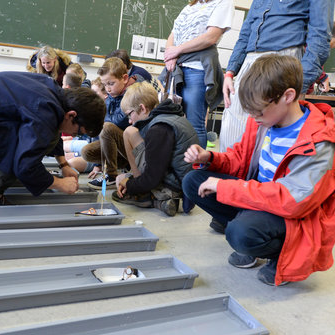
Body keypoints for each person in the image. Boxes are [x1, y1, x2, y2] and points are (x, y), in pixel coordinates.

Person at [182, 55, 335, 286]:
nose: (254, 118)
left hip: (293, 215)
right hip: (261, 199)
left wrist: (225, 187)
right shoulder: (264, 120)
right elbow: (240, 158)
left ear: (288, 96)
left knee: (240, 232)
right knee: (194, 180)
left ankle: (281, 255)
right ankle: (251, 228)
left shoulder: (319, 142)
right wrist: (210, 158)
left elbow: (292, 202)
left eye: (259, 112)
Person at [0, 71, 105, 206]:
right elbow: (25, 165)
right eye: (76, 132)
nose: (73, 136)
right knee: (25, 151)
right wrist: (59, 184)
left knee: (43, 136)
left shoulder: (52, 91)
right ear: (71, 114)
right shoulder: (44, 112)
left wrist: (64, 164)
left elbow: (50, 129)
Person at [219, 0, 333, 152]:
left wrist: (300, 82)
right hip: (249, 61)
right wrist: (230, 72)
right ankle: (228, 175)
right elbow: (246, 32)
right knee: (232, 134)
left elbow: (319, 36)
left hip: (284, 60)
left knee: (273, 144)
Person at [113, 82, 199, 216]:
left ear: (142, 108)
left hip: (174, 185)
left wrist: (130, 185)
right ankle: (160, 200)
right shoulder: (169, 116)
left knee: (129, 132)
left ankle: (151, 196)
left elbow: (152, 178)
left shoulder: (159, 129)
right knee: (122, 178)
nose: (130, 120)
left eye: (130, 114)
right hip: (183, 182)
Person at [163, 0, 233, 149]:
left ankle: (197, 170)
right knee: (171, 122)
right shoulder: (189, 6)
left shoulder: (222, 3)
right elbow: (173, 34)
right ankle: (179, 168)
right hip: (177, 69)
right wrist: (170, 54)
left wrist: (177, 50)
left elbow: (210, 37)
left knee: (194, 125)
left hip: (197, 69)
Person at [81, 57, 148, 189]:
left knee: (107, 127)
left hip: (137, 148)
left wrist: (103, 121)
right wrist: (97, 165)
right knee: (86, 152)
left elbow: (119, 121)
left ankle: (110, 175)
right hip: (119, 148)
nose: (108, 88)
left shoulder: (133, 94)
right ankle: (114, 168)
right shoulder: (110, 97)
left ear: (124, 78)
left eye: (111, 83)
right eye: (105, 85)